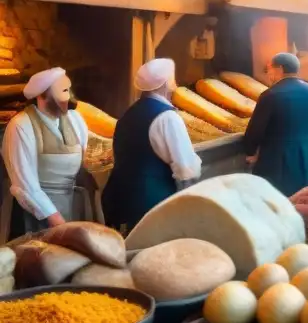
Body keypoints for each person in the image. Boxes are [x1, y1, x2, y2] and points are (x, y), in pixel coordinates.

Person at [102, 59, 202, 236]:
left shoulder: (128, 114)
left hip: (120, 200)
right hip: (153, 204)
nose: (174, 86)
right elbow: (187, 170)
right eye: (172, 80)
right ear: (165, 83)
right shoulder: (168, 117)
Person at [1, 68, 93, 241]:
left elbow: (83, 159)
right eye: (62, 92)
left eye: (68, 90)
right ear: (42, 95)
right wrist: (57, 222)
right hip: (35, 214)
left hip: (71, 207)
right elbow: (25, 185)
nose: (68, 97)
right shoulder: (21, 125)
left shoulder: (76, 120)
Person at [244, 52, 308, 196]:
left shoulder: (271, 95)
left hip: (277, 160)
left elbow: (255, 130)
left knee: (280, 200)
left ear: (279, 68)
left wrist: (250, 152)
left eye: (270, 69)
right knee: (306, 199)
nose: (269, 74)